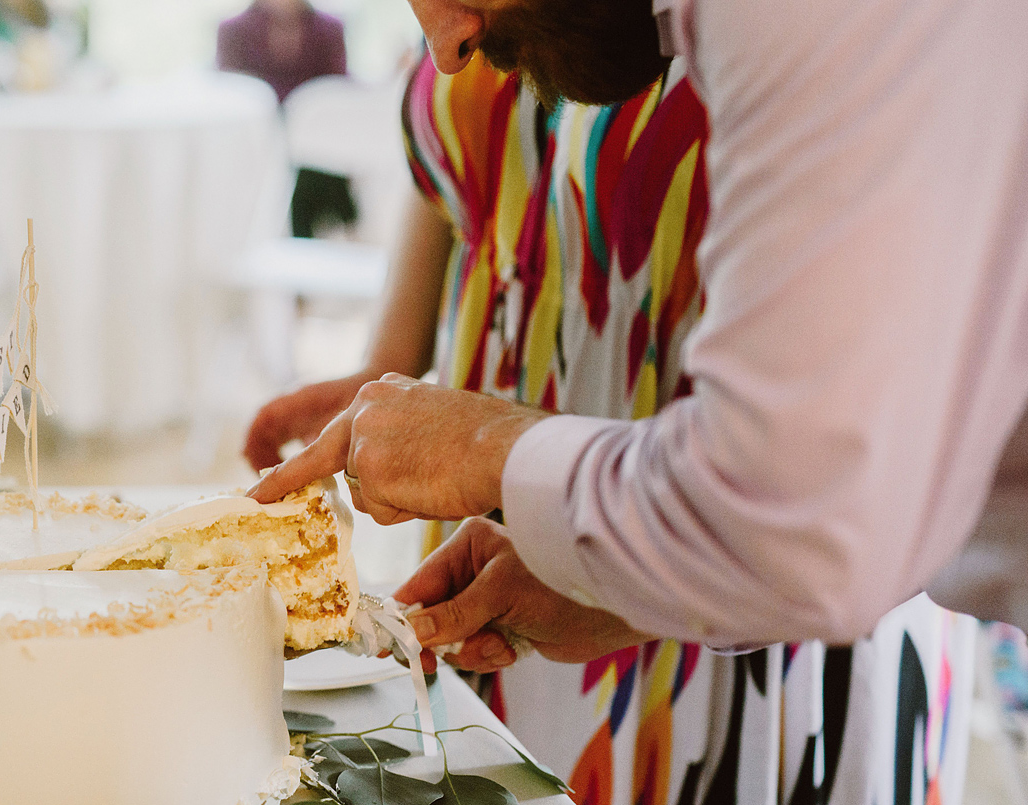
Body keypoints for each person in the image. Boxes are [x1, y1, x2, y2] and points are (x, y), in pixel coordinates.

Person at [249, 46, 974, 805]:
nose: (444, 32)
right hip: (501, 510)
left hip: (754, 541)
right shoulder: (473, 25)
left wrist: (546, 493)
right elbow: (460, 169)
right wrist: (392, 365)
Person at [250, 0, 1028, 667]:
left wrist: (485, 449)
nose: (446, 48)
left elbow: (798, 519)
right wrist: (619, 580)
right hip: (645, 528)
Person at [216, 0, 355, 238]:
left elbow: (338, 92)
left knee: (316, 162)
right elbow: (229, 97)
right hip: (255, 149)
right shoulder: (233, 30)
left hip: (315, 156)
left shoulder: (330, 28)